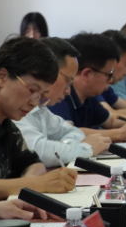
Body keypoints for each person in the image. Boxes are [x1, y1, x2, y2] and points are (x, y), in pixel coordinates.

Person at [0, 37, 76, 199]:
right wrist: (35, 184)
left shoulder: (5, 121)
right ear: (2, 77)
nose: (34, 103)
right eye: (32, 90)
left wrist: (27, 183)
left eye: (41, 96)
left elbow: (33, 163)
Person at [15, 37, 112, 167]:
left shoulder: (40, 109)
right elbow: (40, 152)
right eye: (67, 81)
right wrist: (86, 149)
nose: (68, 91)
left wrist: (65, 146)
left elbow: (75, 132)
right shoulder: (14, 108)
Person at [48, 33, 126, 142]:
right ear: (87, 74)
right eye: (109, 74)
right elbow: (68, 133)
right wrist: (119, 134)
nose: (110, 80)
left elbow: (111, 120)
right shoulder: (60, 95)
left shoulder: (89, 97)